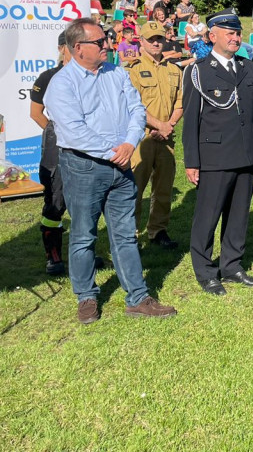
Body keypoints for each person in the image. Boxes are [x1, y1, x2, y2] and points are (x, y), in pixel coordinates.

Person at [45, 17, 176, 324]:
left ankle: (138, 297)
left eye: (105, 40)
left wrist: (130, 144)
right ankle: (86, 296)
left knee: (125, 235)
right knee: (83, 235)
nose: (107, 45)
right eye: (99, 42)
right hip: (84, 167)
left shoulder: (116, 72)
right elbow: (74, 130)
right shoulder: (62, 84)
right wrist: (113, 152)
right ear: (78, 48)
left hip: (121, 165)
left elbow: (136, 109)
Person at [182, 8, 253, 296]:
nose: (235, 37)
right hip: (214, 155)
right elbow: (192, 118)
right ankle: (206, 271)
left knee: (239, 214)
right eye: (229, 33)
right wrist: (192, 161)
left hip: (245, 152)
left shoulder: (248, 67)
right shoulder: (198, 70)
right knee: (208, 216)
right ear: (212, 35)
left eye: (237, 32)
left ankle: (231, 265)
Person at [126, 21, 185, 249]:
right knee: (134, 189)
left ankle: (158, 230)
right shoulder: (133, 69)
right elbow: (132, 106)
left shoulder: (174, 70)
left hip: (166, 138)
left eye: (159, 38)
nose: (156, 42)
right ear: (141, 41)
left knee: (163, 188)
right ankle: (130, 233)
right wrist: (159, 125)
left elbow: (181, 102)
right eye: (150, 39)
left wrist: (168, 125)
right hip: (141, 139)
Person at [29, 31, 70, 275]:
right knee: (56, 200)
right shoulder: (48, 77)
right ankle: (53, 255)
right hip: (56, 145)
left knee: (85, 201)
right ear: (62, 48)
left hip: (85, 146)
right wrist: (56, 132)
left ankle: (83, 252)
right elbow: (36, 113)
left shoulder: (90, 74)